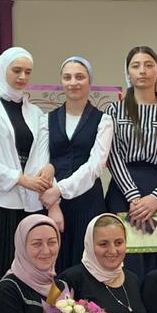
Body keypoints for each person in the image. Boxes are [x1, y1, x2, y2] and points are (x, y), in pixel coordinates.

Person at [0, 47, 53, 284]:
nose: (22, 77)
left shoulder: (36, 113)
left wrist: (48, 170)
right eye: (16, 70)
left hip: (26, 204)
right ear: (2, 70)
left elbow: (44, 153)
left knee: (23, 272)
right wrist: (21, 179)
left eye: (28, 72)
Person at [105, 46, 157, 276]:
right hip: (123, 193)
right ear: (128, 73)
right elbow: (113, 156)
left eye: (149, 65)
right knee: (123, 259)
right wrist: (133, 197)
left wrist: (155, 198)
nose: (142, 71)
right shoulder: (114, 110)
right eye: (136, 66)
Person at [43, 57, 113, 269]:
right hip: (53, 203)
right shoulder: (46, 119)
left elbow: (95, 166)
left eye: (79, 77)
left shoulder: (104, 120)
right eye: (67, 77)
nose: (73, 82)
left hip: (88, 202)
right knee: (54, 263)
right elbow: (43, 162)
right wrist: (53, 203)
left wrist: (60, 190)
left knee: (86, 264)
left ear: (89, 81)